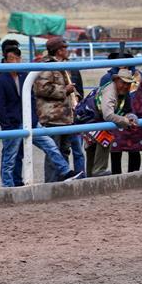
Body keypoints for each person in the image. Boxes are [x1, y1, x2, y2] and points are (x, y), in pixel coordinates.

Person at [0, 46, 83, 186]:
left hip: (30, 122)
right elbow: (0, 106)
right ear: (5, 61)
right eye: (12, 59)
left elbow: (32, 98)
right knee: (10, 157)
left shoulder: (25, 77)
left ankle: (65, 171)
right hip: (13, 124)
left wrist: (34, 118)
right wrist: (7, 125)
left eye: (18, 58)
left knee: (50, 145)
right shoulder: (0, 81)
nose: (15, 62)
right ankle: (7, 185)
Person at [35, 36, 85, 182]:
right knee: (53, 152)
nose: (67, 50)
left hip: (64, 116)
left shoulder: (62, 66)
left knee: (63, 151)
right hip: (52, 116)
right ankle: (51, 183)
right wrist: (65, 90)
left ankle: (61, 181)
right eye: (64, 48)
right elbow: (41, 88)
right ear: (57, 50)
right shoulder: (47, 66)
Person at [86, 68, 141, 176]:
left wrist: (130, 117)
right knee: (104, 138)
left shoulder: (123, 93)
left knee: (95, 146)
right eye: (123, 83)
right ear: (116, 80)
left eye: (128, 84)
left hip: (94, 119)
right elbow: (108, 115)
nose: (125, 86)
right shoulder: (110, 92)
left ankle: (92, 175)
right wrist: (126, 121)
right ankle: (98, 171)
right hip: (89, 119)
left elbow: (127, 110)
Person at [99, 53, 142, 175]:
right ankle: (117, 177)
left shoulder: (139, 77)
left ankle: (133, 176)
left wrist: (138, 111)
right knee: (115, 151)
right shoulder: (107, 78)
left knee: (134, 151)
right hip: (116, 118)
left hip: (133, 115)